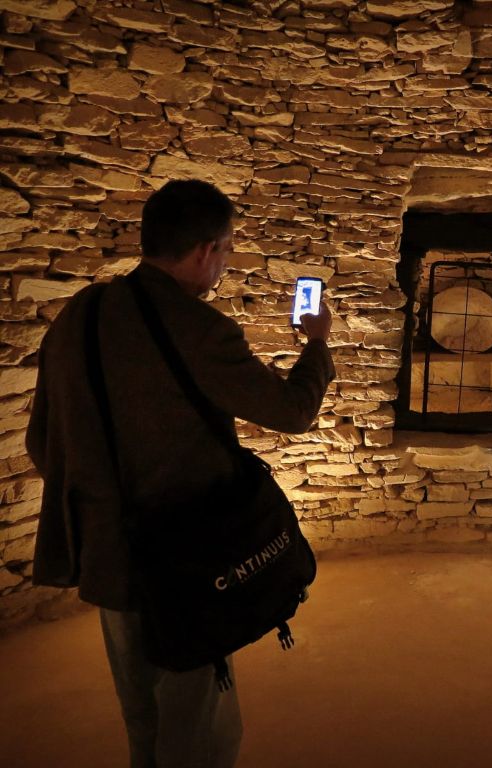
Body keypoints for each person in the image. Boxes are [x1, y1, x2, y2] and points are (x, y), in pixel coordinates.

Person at [27, 179, 335, 768]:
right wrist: (317, 345)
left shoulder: (78, 316)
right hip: (186, 560)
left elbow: (43, 440)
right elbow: (293, 411)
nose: (224, 266)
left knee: (141, 714)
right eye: (226, 250)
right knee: (199, 729)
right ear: (203, 251)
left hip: (109, 554)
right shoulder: (197, 328)